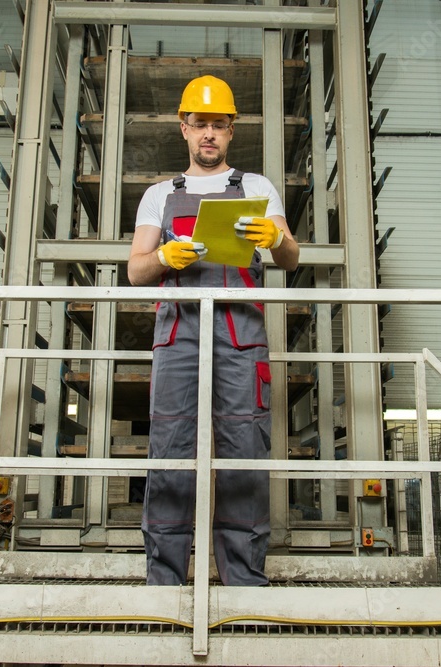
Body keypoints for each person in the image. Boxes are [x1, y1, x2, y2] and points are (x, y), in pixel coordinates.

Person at [128, 75, 300, 586]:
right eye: (199, 123)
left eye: (218, 125)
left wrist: (276, 237)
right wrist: (161, 256)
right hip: (179, 335)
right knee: (170, 449)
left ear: (231, 130)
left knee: (244, 449)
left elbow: (291, 258)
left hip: (241, 335)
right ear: (184, 127)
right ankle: (164, 581)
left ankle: (244, 579)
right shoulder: (159, 195)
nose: (209, 134)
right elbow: (135, 270)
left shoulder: (258, 188)